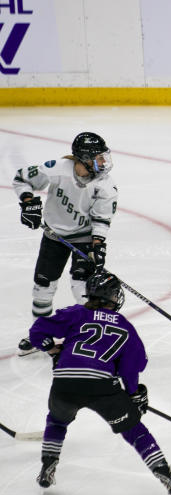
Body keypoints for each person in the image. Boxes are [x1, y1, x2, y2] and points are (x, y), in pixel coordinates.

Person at [28, 271, 171, 495]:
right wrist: (133, 394)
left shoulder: (76, 313)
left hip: (65, 383)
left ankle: (47, 468)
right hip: (102, 387)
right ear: (113, 296)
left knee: (57, 420)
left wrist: (51, 349)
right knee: (134, 431)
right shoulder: (125, 325)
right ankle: (166, 476)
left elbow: (38, 331)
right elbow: (132, 366)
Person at [13, 132, 118, 356]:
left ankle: (90, 335)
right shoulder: (58, 169)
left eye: (103, 157)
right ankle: (40, 334)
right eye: (97, 158)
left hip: (84, 238)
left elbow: (101, 218)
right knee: (42, 289)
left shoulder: (105, 185)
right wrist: (28, 202)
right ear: (83, 158)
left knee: (82, 288)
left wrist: (97, 244)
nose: (103, 162)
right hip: (54, 235)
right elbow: (22, 178)